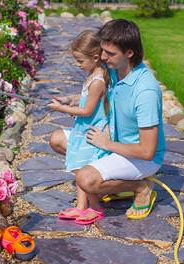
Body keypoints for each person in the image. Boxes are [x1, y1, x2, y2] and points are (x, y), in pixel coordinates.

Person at [74, 18, 167, 221]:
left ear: (130, 53)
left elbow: (147, 151)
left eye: (110, 53)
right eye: (103, 50)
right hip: (114, 142)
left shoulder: (145, 92)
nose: (103, 57)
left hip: (141, 157)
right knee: (60, 139)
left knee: (85, 179)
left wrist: (107, 143)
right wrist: (74, 102)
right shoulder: (115, 70)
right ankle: (116, 181)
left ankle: (141, 188)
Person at [47, 30, 111, 224]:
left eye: (80, 61)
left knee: (83, 167)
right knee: (78, 166)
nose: (78, 65)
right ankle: (81, 207)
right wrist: (70, 101)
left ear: (95, 57)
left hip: (91, 131)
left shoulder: (98, 81)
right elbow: (86, 103)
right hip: (83, 129)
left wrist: (62, 108)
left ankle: (96, 208)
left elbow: (89, 111)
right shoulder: (92, 74)